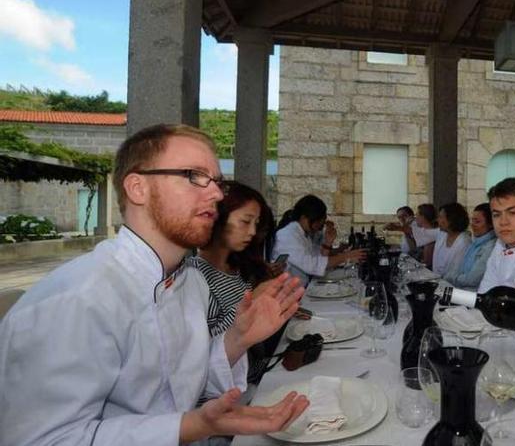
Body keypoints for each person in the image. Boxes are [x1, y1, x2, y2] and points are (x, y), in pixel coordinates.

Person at [0, 124, 309, 445]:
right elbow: (42, 439)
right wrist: (191, 426)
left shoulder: (192, 283)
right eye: (193, 175)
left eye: (215, 181)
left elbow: (179, 383)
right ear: (137, 188)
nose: (217, 193)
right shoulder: (75, 300)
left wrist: (237, 338)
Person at [193, 180, 285, 384]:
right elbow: (203, 351)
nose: (252, 232)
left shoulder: (236, 269)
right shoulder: (194, 276)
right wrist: (252, 304)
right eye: (246, 221)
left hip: (257, 374)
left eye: (256, 223)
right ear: (217, 218)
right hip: (227, 392)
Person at [272, 195, 365, 287]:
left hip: (301, 287)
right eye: (316, 221)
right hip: (289, 291)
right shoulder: (287, 235)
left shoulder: (303, 234)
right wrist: (345, 257)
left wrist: (328, 242)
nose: (318, 226)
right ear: (304, 217)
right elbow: (312, 266)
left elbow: (319, 257)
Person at [446, 203, 496, 289]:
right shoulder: (475, 242)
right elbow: (457, 266)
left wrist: (451, 277)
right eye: (472, 220)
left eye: (477, 221)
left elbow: (472, 280)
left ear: (490, 224)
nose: (472, 224)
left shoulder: (491, 247)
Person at [427, 202, 472, 278]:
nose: (438, 220)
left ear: (451, 219)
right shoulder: (442, 234)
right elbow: (423, 233)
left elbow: (456, 270)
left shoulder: (464, 241)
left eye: (441, 217)